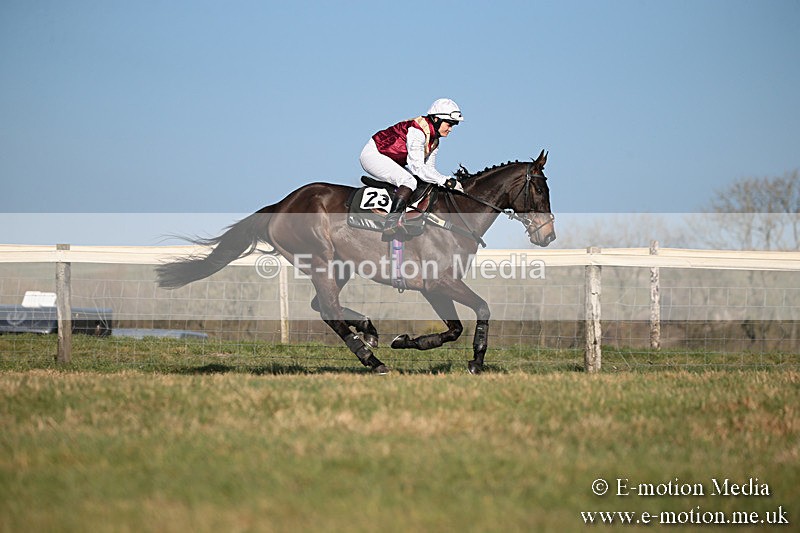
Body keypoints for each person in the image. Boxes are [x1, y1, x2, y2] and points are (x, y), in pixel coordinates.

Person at [360, 98, 465, 239]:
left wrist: (446, 182)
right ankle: (391, 222)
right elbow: (417, 167)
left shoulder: (434, 141)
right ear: (436, 119)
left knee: (423, 182)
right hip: (374, 155)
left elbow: (429, 170)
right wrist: (445, 180)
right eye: (449, 124)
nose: (450, 129)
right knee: (409, 181)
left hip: (391, 159)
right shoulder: (417, 132)